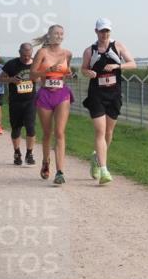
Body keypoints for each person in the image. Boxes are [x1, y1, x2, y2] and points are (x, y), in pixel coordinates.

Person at [80, 18, 136, 185]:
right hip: (96, 94)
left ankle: (97, 159)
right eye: (102, 31)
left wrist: (117, 67)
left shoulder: (118, 46)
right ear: (96, 31)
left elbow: (133, 63)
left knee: (108, 133)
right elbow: (83, 68)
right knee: (100, 131)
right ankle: (104, 170)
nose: (105, 34)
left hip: (114, 94)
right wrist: (87, 72)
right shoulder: (90, 50)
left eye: (107, 31)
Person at [30, 25, 74, 185]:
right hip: (45, 94)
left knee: (60, 132)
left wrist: (68, 73)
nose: (59, 36)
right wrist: (48, 70)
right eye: (56, 33)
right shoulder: (42, 53)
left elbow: (65, 74)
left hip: (62, 94)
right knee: (47, 133)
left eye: (61, 34)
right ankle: (46, 161)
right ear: (49, 36)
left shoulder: (67, 53)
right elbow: (32, 75)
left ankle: (60, 172)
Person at [0, 43, 37, 166]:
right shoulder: (11, 64)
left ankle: (29, 153)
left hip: (30, 101)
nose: (26, 57)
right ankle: (17, 153)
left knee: (31, 128)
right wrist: (11, 80)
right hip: (15, 102)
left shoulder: (35, 64)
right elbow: (0, 79)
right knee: (16, 129)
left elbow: (42, 78)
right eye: (24, 55)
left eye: (29, 55)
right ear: (19, 52)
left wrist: (37, 79)